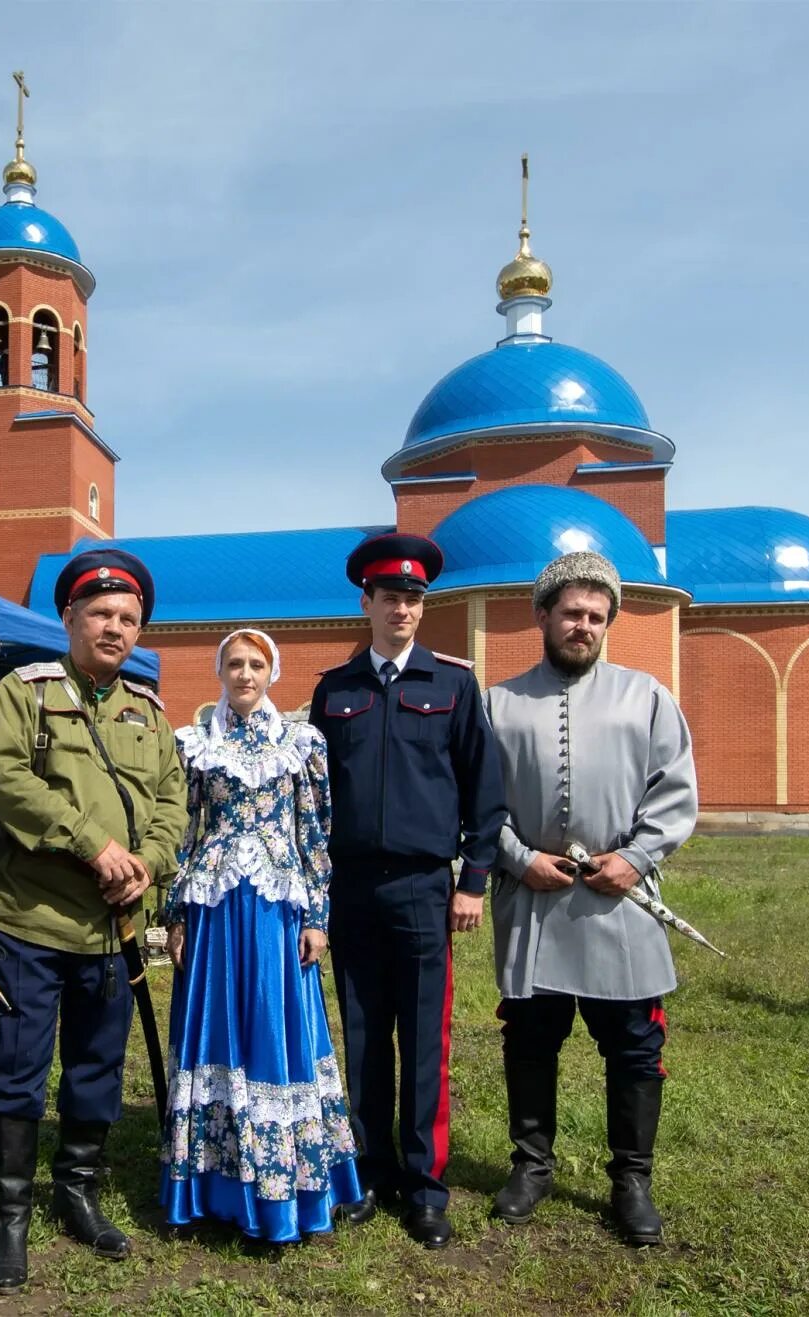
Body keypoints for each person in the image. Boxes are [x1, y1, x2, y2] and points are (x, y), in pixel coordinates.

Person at [0, 548, 188, 1293]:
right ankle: (9, 1219)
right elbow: (6, 780)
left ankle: (78, 1192)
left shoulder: (151, 711)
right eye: (100, 613)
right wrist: (92, 843)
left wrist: (149, 863)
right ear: (68, 617)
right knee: (17, 1071)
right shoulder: (23, 693)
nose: (114, 626)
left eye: (128, 618)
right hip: (29, 919)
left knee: (97, 1068)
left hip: (113, 928)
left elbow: (170, 801)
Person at [483, 551, 698, 1248]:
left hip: (618, 901)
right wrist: (519, 858)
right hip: (534, 900)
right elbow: (477, 802)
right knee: (531, 1038)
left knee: (634, 1045)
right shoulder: (499, 703)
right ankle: (531, 1164)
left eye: (596, 617)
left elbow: (674, 793)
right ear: (542, 614)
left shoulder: (649, 697)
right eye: (572, 612)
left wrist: (633, 859)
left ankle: (631, 1178)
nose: (584, 626)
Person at [307, 532, 500, 1250]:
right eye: (391, 597)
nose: (403, 609)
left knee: (423, 1041)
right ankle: (368, 1170)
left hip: (425, 888)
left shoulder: (452, 685)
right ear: (368, 602)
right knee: (362, 1037)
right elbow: (315, 797)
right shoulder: (336, 690)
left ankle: (424, 1188)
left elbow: (486, 791)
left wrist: (473, 880)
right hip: (351, 887)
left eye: (415, 598)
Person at [160, 629, 362, 1241]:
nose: (245, 674)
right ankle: (208, 1185)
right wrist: (173, 913)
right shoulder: (193, 745)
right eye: (234, 664)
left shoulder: (303, 745)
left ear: (272, 672)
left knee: (275, 1030)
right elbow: (181, 833)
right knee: (216, 1031)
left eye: (256, 664)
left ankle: (283, 1185)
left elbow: (316, 834)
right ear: (219, 671)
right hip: (214, 907)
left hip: (278, 908)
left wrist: (318, 918)